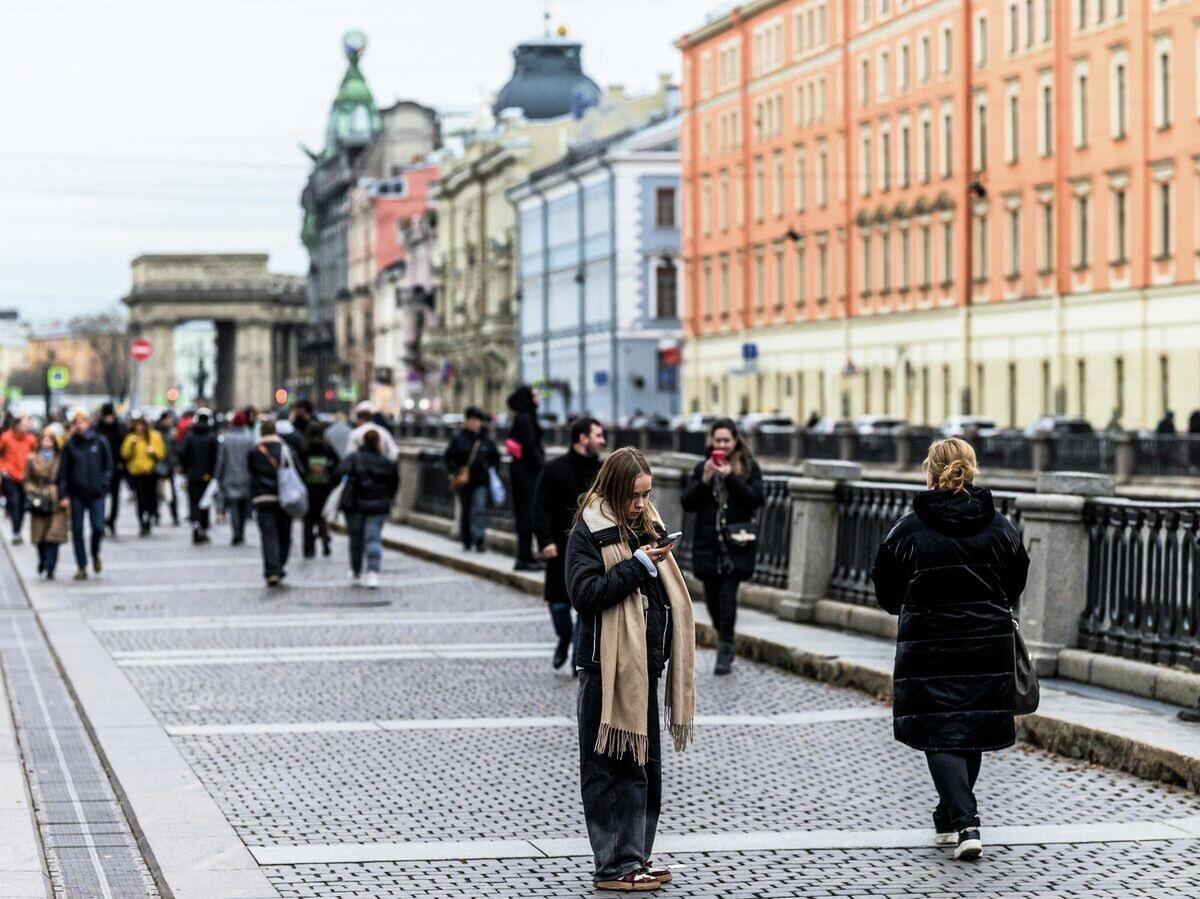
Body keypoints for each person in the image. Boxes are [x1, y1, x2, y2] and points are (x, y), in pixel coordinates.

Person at [871, 438, 1029, 862]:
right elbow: (1016, 583)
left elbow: (887, 591)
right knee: (970, 727)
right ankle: (948, 815)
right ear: (971, 471)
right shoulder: (1002, 527)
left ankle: (966, 821)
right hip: (986, 643)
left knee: (940, 733)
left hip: (929, 646)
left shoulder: (907, 529)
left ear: (929, 474)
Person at [565, 447, 695, 893]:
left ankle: (635, 856)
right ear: (616, 489)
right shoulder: (589, 533)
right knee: (609, 769)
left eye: (646, 495)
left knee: (644, 767)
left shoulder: (647, 525)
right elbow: (585, 595)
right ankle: (613, 865)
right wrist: (639, 566)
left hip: (644, 668)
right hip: (606, 667)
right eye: (635, 496)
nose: (641, 504)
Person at [680, 418, 764, 676]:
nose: (722, 445)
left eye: (726, 440)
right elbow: (687, 503)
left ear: (735, 440)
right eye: (718, 441)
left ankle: (725, 649)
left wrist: (732, 478)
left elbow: (755, 499)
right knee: (713, 599)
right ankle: (723, 635)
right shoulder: (701, 468)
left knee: (728, 596)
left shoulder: (748, 467)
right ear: (711, 441)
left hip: (736, 544)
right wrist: (705, 480)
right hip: (708, 544)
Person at [532, 416, 605, 669]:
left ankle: (577, 656)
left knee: (584, 608)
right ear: (582, 438)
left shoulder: (602, 472)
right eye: (598, 435)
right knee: (559, 607)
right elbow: (539, 507)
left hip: (592, 550)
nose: (603, 440)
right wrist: (544, 541)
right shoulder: (554, 469)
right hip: (559, 549)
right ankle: (564, 639)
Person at [338, 428, 399, 588]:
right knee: (373, 539)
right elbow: (394, 483)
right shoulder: (386, 462)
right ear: (379, 443)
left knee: (355, 540)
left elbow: (337, 474)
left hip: (355, 505)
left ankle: (356, 571)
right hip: (378, 506)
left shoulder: (353, 459)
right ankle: (373, 572)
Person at [58, 410, 113, 580]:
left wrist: (104, 484)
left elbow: (108, 465)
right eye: (77, 422)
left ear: (88, 423)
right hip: (77, 494)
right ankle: (81, 565)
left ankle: (95, 553)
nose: (80, 425)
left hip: (96, 493)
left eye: (82, 421)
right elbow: (63, 471)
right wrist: (63, 494)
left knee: (98, 527)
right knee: (77, 530)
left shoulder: (99, 441)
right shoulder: (70, 445)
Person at [443, 407, 499, 553]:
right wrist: (456, 470)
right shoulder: (459, 438)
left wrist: (489, 470)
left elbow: (495, 457)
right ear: (467, 421)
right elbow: (449, 457)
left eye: (477, 421)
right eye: (472, 420)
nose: (475, 423)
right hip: (464, 481)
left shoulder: (486, 439)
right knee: (466, 510)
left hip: (481, 480)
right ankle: (467, 539)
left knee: (479, 509)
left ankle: (479, 540)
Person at [248, 417, 291, 586]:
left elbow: (251, 475)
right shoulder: (285, 449)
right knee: (284, 534)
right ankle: (279, 564)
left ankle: (272, 570)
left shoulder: (255, 451)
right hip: (284, 496)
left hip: (262, 497)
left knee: (268, 535)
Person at [506, 385, 545, 571]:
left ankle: (526, 555)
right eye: (535, 395)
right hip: (526, 474)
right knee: (527, 515)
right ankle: (524, 558)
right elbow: (530, 446)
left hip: (521, 471)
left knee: (525, 514)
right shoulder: (526, 418)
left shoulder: (522, 417)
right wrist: (541, 466)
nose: (538, 398)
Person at [25, 428, 68, 579]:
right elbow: (27, 480)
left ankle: (51, 567)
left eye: (50, 439)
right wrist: (34, 490)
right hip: (38, 500)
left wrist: (64, 495)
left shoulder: (61, 458)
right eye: (45, 439)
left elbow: (65, 478)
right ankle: (43, 559)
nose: (47, 442)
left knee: (54, 536)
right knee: (40, 536)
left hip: (55, 499)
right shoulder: (32, 458)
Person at [119, 416, 166, 536]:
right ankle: (142, 521)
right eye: (137, 425)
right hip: (136, 472)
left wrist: (153, 451)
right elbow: (124, 454)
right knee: (140, 498)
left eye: (141, 425)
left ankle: (151, 515)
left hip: (151, 472)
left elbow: (162, 452)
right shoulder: (131, 438)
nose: (139, 428)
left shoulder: (154, 436)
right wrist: (131, 445)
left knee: (151, 496)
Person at [179, 409, 219, 544]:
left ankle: (196, 525)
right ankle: (204, 527)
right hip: (206, 475)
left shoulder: (189, 437)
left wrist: (185, 470)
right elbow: (216, 457)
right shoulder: (212, 437)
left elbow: (183, 454)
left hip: (192, 474)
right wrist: (212, 473)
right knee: (205, 503)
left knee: (194, 502)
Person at [300, 421, 339, 558]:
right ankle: (325, 543)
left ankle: (308, 548)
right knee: (322, 517)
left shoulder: (304, 447)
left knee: (308, 519)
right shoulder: (326, 447)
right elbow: (337, 462)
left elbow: (299, 465)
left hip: (308, 487)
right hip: (324, 487)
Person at [215, 410, 254, 545]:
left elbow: (221, 460)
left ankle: (236, 532)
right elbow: (252, 460)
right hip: (245, 477)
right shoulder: (248, 440)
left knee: (234, 507)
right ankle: (241, 532)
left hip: (229, 476)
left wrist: (218, 476)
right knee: (243, 507)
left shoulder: (226, 439)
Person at [0, 416, 38, 544]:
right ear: (17, 425)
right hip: (10, 476)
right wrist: (3, 467)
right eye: (25, 424)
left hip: (25, 477)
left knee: (22, 505)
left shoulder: (31, 439)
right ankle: (15, 531)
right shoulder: (6, 437)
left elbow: (35, 455)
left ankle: (18, 530)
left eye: (28, 424)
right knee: (14, 503)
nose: (27, 426)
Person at [94, 403, 126, 536]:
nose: (109, 419)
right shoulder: (98, 429)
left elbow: (124, 446)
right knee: (101, 496)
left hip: (116, 467)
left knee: (115, 496)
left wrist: (121, 462)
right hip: (100, 468)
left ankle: (112, 520)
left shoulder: (119, 428)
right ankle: (100, 521)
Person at [155, 411, 180, 526]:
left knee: (171, 493)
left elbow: (174, 449)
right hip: (159, 466)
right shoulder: (156, 433)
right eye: (169, 419)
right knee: (158, 492)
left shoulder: (171, 432)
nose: (170, 421)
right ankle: (155, 514)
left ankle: (174, 515)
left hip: (169, 466)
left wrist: (175, 463)